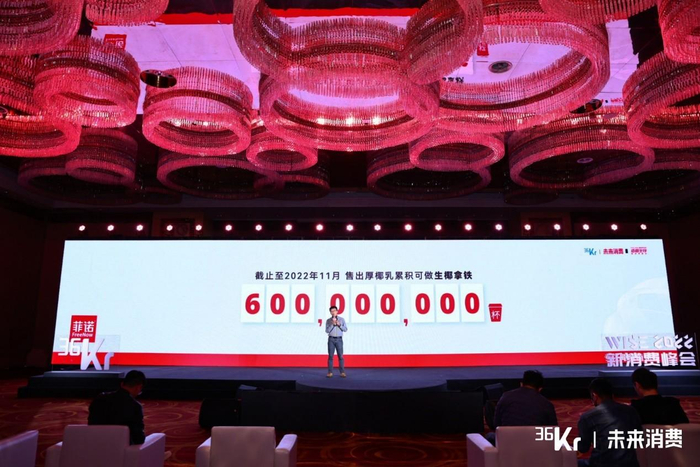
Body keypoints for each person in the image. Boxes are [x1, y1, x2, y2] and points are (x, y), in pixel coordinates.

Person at [577, 378, 642, 467]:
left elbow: (583, 448)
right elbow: (638, 439)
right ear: (612, 394)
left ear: (594, 395)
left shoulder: (588, 417)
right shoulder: (631, 411)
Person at [486, 370, 557, 444]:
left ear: (521, 384)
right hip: (536, 445)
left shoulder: (506, 396)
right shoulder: (547, 404)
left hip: (508, 443)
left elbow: (497, 424)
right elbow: (553, 431)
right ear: (540, 389)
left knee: (490, 436)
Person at [88, 370, 146, 445]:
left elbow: (91, 424)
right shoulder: (135, 406)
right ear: (138, 387)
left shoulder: (99, 398)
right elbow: (138, 439)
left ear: (122, 384)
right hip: (121, 448)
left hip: (94, 444)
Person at [325, 305, 347, 378]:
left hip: (339, 339)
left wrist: (339, 325)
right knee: (330, 356)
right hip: (331, 339)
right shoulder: (328, 320)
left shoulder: (342, 319)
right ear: (330, 312)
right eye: (331, 311)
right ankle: (330, 372)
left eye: (334, 311)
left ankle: (342, 372)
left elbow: (345, 329)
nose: (333, 312)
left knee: (340, 356)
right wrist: (332, 325)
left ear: (337, 311)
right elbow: (327, 330)